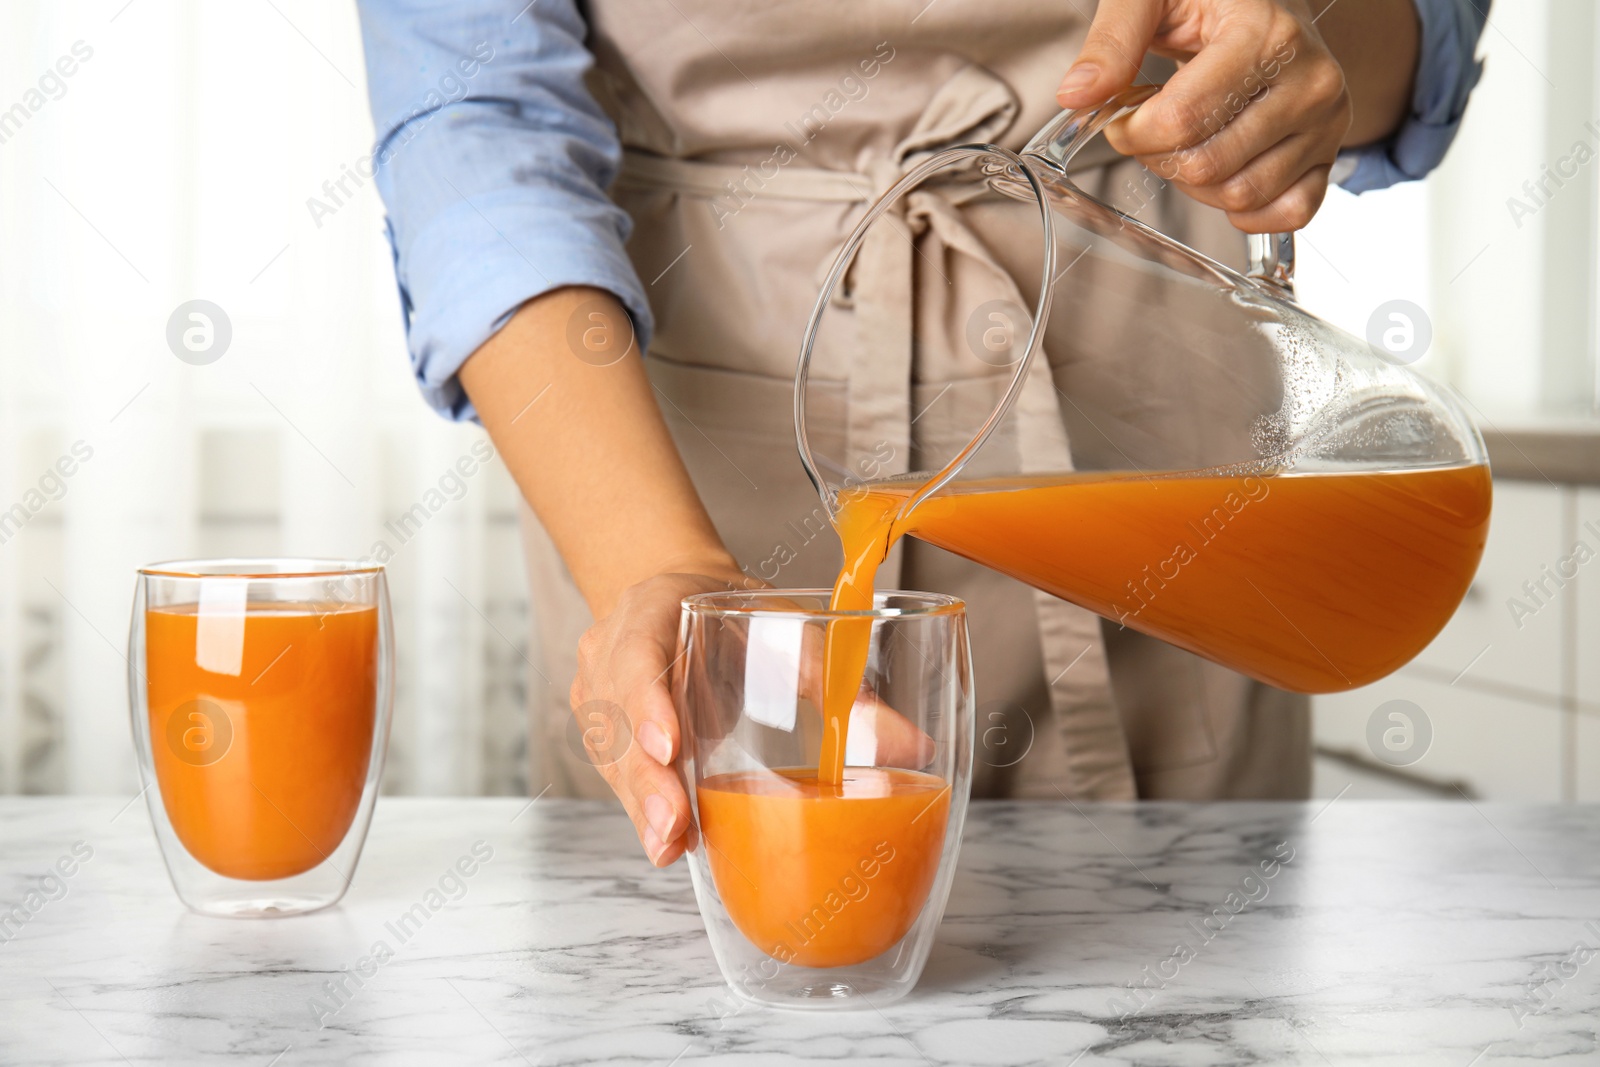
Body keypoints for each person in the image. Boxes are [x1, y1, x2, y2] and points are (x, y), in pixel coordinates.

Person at [356, 0, 1489, 865]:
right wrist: (658, 567)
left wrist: (1307, 43)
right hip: (680, 486)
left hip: (1163, 441)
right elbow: (472, 124)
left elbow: (1421, 34)